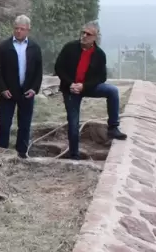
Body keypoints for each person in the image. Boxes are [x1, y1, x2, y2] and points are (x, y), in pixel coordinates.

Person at [54, 21, 127, 159]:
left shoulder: (99, 54)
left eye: (88, 34)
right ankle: (74, 155)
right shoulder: (69, 47)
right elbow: (59, 67)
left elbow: (101, 77)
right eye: (83, 32)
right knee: (74, 122)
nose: (84, 36)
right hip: (70, 89)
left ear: (95, 37)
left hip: (88, 87)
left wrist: (85, 86)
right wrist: (70, 84)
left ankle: (113, 127)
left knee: (112, 91)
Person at [0, 15, 43, 158]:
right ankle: (1, 152)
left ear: (28, 30)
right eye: (16, 28)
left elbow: (38, 71)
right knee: (4, 123)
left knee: (25, 124)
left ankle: (22, 152)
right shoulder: (4, 46)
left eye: (22, 29)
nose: (19, 31)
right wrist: (2, 89)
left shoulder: (34, 47)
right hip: (8, 91)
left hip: (27, 91)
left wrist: (34, 88)